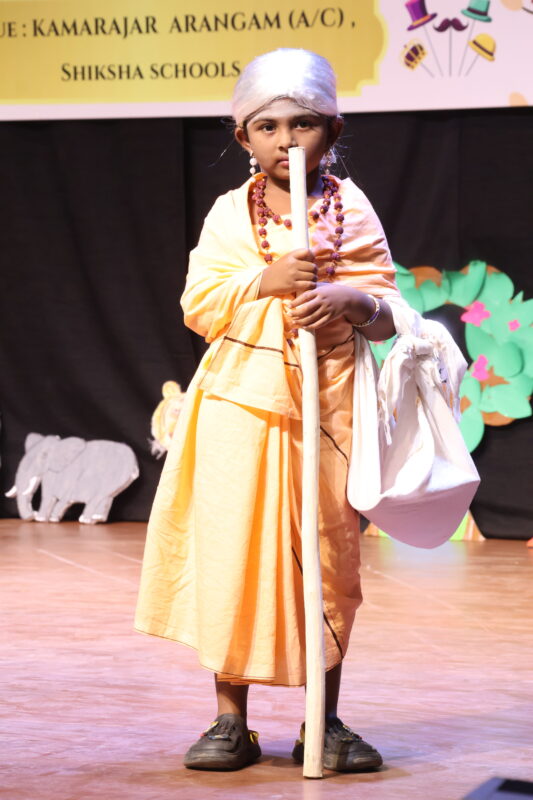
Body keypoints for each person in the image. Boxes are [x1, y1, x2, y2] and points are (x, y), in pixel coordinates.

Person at [135, 48, 408, 773]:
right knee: (233, 557)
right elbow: (199, 305)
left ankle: (324, 721)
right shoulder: (231, 212)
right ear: (244, 138)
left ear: (333, 129)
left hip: (329, 410)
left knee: (328, 557)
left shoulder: (351, 209)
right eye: (268, 127)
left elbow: (389, 312)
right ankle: (231, 721)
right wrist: (266, 280)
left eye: (303, 123)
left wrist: (353, 302)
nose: (287, 140)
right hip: (240, 409)